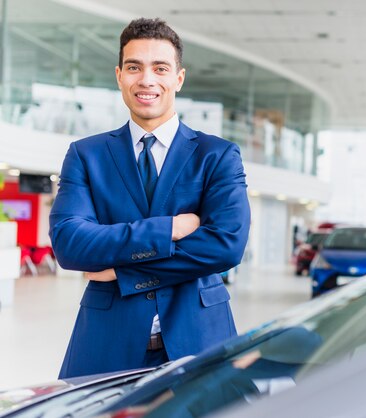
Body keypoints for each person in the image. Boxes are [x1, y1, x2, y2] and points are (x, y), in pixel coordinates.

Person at [49, 18, 251, 378]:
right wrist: (169, 228)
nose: (147, 80)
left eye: (160, 68)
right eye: (134, 67)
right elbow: (70, 244)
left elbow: (226, 245)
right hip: (105, 342)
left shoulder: (216, 155)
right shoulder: (86, 155)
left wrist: (124, 272)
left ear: (178, 78)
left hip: (199, 339)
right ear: (119, 76)